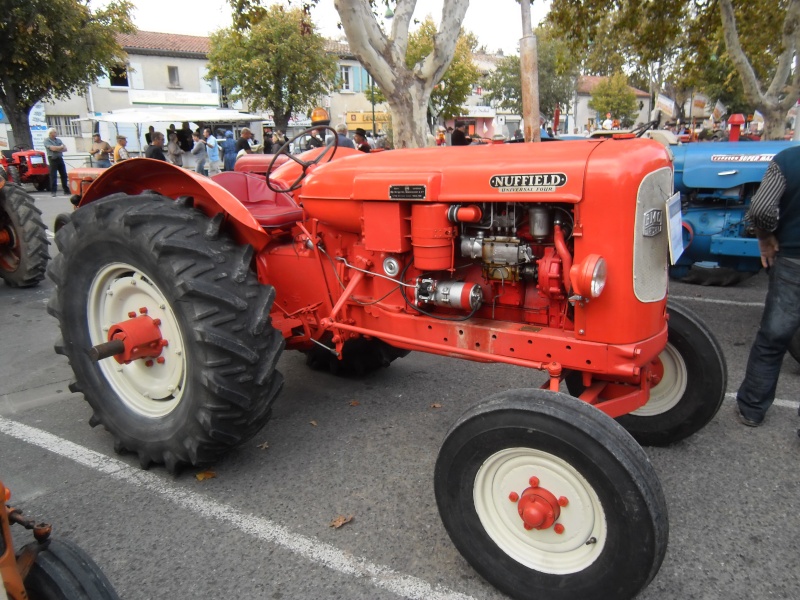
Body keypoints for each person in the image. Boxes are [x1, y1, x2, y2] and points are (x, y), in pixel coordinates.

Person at [736, 144, 800, 429]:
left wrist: (765, 238)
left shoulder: (787, 160)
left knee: (773, 337)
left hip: (793, 259)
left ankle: (752, 408)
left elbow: (761, 209)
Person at [43, 128, 69, 196]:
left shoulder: (58, 140)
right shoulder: (46, 140)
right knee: (53, 175)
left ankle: (66, 189)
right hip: (52, 159)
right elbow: (52, 148)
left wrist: (58, 148)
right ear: (50, 133)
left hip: (60, 158)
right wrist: (60, 147)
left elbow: (65, 149)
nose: (56, 133)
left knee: (64, 174)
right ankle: (53, 191)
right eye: (54, 132)